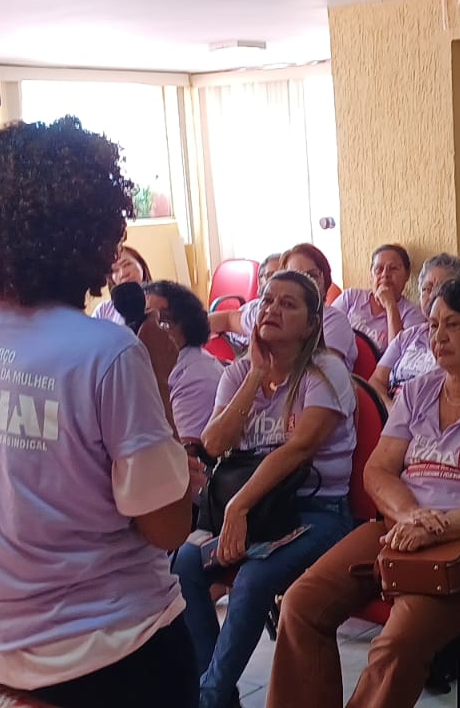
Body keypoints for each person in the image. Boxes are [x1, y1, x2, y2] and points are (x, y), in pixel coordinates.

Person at [0, 117, 202, 708]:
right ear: (92, 231)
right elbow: (167, 528)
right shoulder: (106, 354)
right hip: (119, 652)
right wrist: (159, 380)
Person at [268, 274, 460, 708]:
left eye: (454, 325)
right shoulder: (418, 392)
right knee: (301, 605)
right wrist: (411, 516)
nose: (438, 337)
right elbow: (378, 471)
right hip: (403, 528)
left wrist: (437, 528)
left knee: (397, 642)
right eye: (434, 325)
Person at [173, 269, 357, 708]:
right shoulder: (239, 371)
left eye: (288, 304)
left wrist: (238, 507)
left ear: (311, 325)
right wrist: (256, 375)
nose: (272, 310)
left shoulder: (325, 371)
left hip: (315, 513)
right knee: (185, 563)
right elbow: (214, 443)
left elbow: (299, 449)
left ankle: (208, 697)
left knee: (253, 578)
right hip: (256, 515)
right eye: (268, 300)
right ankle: (215, 692)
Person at [211, 243, 360, 372]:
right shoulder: (268, 311)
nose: (304, 284)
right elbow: (227, 319)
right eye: (294, 276)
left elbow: (323, 372)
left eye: (312, 276)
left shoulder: (333, 321)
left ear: (325, 279)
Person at [371, 252, 460, 403]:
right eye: (427, 289)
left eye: (441, 289)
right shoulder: (408, 336)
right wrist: (390, 408)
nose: (432, 296)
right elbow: (376, 381)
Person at [145, 280, 224, 445]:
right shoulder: (144, 364)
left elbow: (185, 451)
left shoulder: (197, 376)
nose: (151, 329)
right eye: (144, 319)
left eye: (164, 322)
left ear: (188, 327)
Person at [331, 244, 426, 351]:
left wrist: (390, 306)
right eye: (379, 269)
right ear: (371, 275)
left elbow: (399, 354)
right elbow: (326, 329)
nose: (385, 274)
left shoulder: (412, 314)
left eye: (393, 268)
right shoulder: (351, 297)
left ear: (407, 275)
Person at [90, 245, 152, 324]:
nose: (123, 274)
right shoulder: (104, 310)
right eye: (115, 270)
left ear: (141, 265)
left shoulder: (160, 300)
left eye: (127, 264)